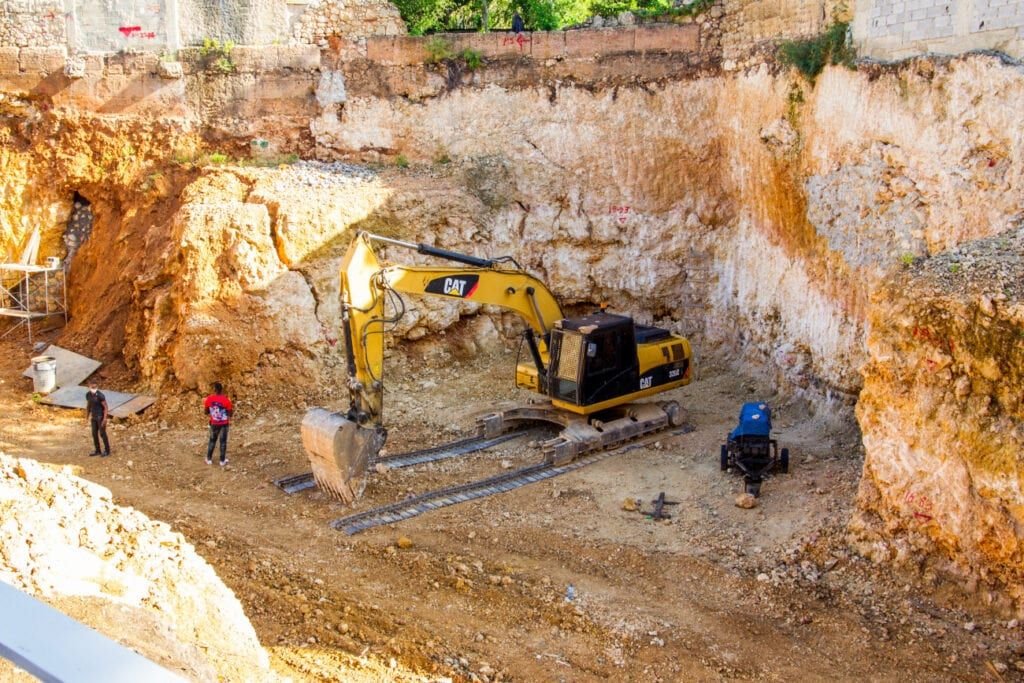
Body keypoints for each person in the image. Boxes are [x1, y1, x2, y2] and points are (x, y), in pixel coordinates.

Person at [203, 382, 233, 466]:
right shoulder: (226, 400)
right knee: (223, 442)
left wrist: (212, 411)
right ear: (221, 390)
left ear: (214, 390)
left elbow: (205, 412)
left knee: (212, 440)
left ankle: (209, 459)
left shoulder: (209, 399)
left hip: (214, 423)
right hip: (224, 423)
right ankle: (222, 461)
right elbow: (230, 413)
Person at [85, 382, 110, 457]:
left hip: (100, 417)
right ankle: (97, 450)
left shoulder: (100, 395)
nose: (94, 389)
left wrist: (105, 418)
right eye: (92, 387)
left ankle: (107, 450)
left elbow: (105, 407)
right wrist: (86, 416)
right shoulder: (88, 395)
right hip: (94, 417)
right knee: (94, 434)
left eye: (95, 387)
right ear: (89, 387)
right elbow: (88, 405)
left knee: (102, 434)